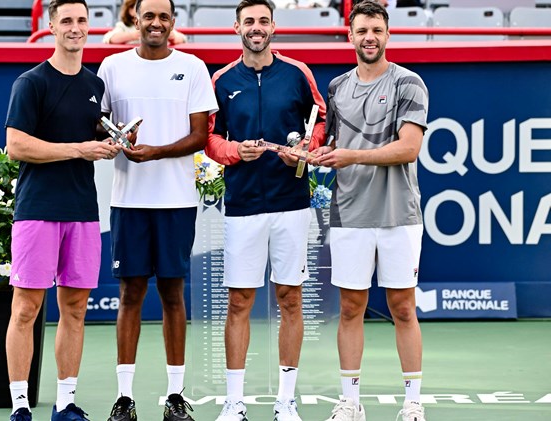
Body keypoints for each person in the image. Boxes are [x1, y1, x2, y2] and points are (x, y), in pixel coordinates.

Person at [96, 0, 218, 419]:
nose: (155, 22)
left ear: (172, 22)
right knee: (130, 294)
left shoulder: (194, 67)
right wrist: (118, 137)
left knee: (172, 295)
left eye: (163, 16)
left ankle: (175, 397)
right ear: (135, 19)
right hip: (128, 201)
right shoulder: (112, 67)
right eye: (148, 15)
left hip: (177, 202)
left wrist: (157, 152)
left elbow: (200, 136)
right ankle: (124, 398)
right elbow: (100, 123)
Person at [204, 1, 326, 420]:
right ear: (236, 27)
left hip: (291, 204)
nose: (256, 28)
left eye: (263, 21)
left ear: (274, 26)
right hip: (242, 206)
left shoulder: (298, 73)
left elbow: (319, 122)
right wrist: (235, 152)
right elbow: (210, 139)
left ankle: (285, 400)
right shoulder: (220, 80)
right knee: (239, 301)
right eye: (249, 22)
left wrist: (304, 153)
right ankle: (234, 403)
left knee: (290, 297)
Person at [310, 1, 429, 421]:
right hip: (349, 215)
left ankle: (413, 402)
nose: (369, 37)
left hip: (399, 215)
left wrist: (349, 156)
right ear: (350, 36)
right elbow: (332, 148)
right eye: (362, 30)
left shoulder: (409, 83)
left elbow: (409, 148)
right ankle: (350, 401)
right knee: (349, 308)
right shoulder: (337, 87)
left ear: (388, 34)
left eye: (377, 29)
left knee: (402, 307)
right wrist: (313, 156)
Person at [4, 1, 121, 420]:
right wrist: (79, 149)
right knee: (26, 308)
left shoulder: (95, 86)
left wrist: (109, 142)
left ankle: (65, 403)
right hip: (36, 211)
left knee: (75, 309)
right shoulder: (31, 83)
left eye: (81, 21)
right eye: (66, 21)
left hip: (83, 213)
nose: (75, 28)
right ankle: (20, 407)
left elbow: (90, 138)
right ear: (51, 26)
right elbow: (16, 146)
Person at [103, 0, 187, 45]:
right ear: (129, 10)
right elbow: (109, 38)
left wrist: (173, 38)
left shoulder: (161, 26)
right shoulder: (124, 26)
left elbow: (182, 38)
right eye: (135, 5)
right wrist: (133, 35)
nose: (155, 23)